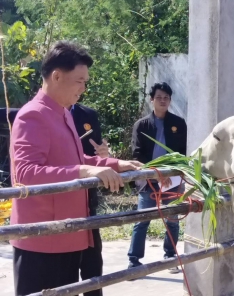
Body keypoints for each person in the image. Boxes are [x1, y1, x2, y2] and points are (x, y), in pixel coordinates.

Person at [9, 40, 142, 296]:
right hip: (42, 240)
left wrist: (116, 164)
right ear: (57, 76)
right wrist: (83, 171)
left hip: (68, 234)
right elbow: (25, 174)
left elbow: (77, 159)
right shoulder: (32, 115)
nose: (83, 88)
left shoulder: (63, 112)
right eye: (80, 81)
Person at [127, 82, 187, 274]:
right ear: (151, 99)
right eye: (159, 97)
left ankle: (170, 256)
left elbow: (182, 153)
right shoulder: (142, 125)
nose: (163, 101)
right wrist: (157, 174)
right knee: (142, 220)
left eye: (166, 98)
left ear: (170, 100)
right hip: (148, 181)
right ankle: (134, 260)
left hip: (173, 180)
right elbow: (137, 154)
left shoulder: (178, 123)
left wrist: (172, 173)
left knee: (172, 219)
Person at [70, 101, 109, 296]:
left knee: (93, 264)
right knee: (65, 270)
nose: (81, 87)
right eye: (78, 80)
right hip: (62, 199)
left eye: (84, 82)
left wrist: (104, 155)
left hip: (87, 198)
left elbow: (97, 150)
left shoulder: (88, 114)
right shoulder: (42, 114)